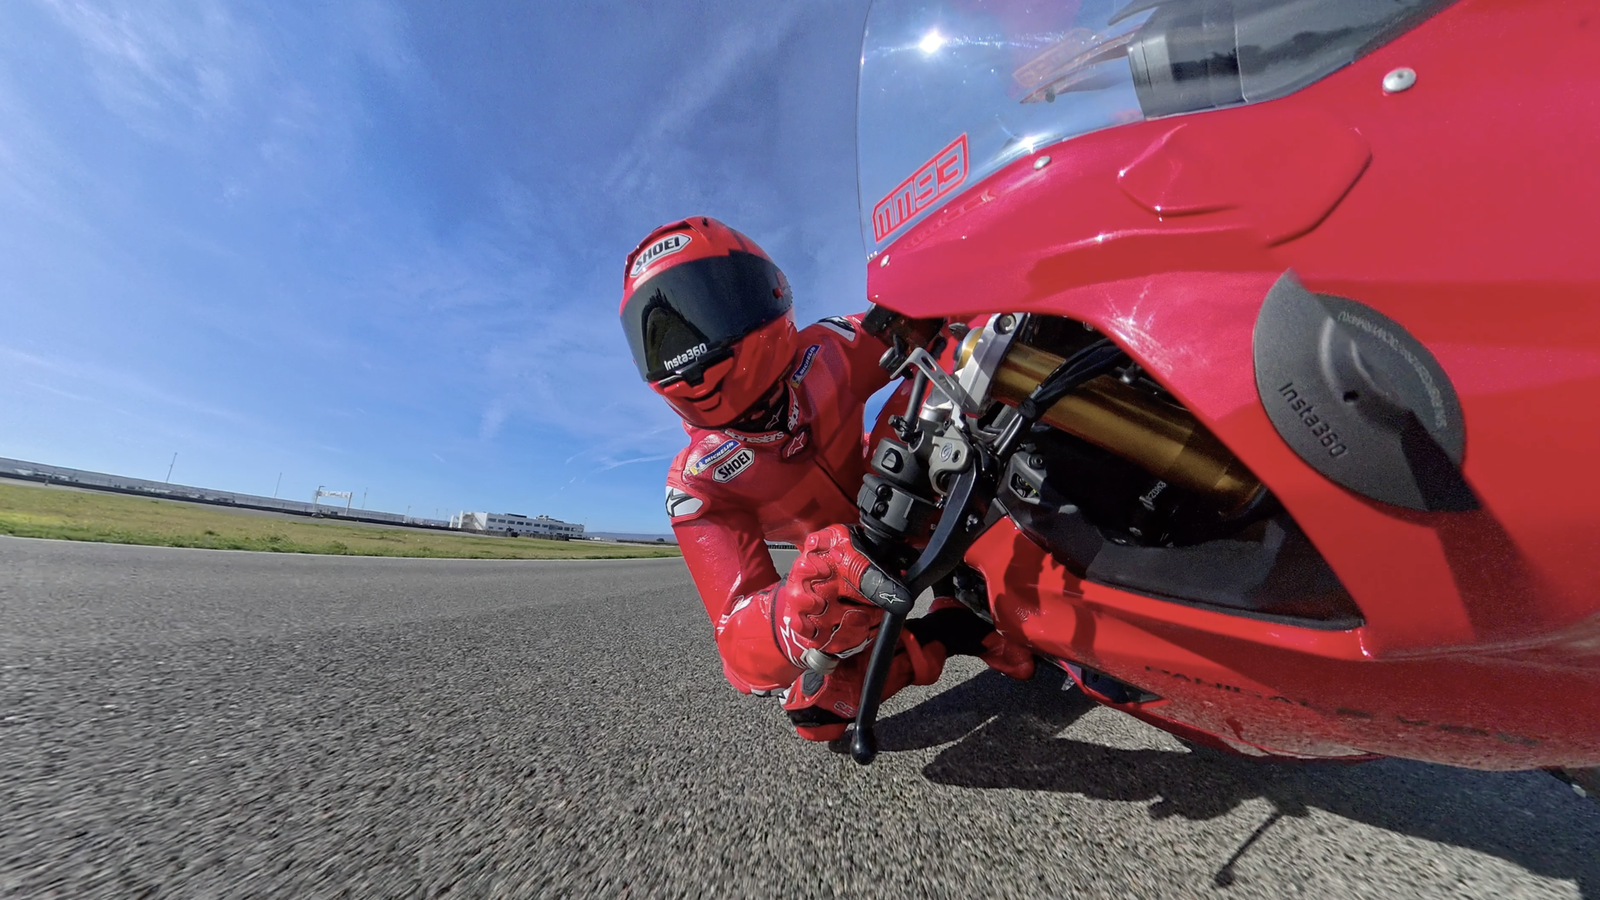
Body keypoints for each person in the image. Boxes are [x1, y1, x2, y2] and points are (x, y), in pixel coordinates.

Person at [619, 216, 1033, 741]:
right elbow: (735, 643)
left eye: (702, 309)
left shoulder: (830, 346)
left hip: (928, 490)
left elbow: (934, 322)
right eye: (662, 337)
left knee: (961, 362)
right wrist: (795, 616)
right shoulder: (697, 482)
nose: (689, 350)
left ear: (762, 292)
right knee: (818, 714)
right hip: (858, 567)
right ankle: (953, 627)